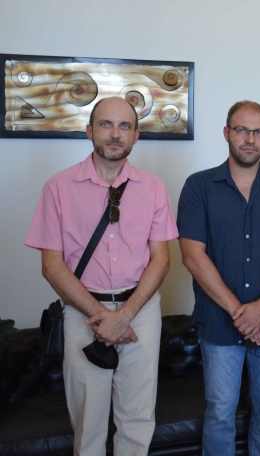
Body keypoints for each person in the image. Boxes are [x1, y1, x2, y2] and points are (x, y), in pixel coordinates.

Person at [25, 97, 178, 455]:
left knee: (138, 421)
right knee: (89, 426)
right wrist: (102, 317)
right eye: (106, 125)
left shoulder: (153, 188)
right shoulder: (58, 188)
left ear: (136, 136)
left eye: (125, 126)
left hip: (141, 312)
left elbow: (161, 261)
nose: (115, 134)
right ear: (89, 130)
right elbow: (52, 265)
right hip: (83, 314)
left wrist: (123, 316)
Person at [177, 101, 260, 455]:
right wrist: (241, 313)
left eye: (258, 132)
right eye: (242, 130)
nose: (250, 139)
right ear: (226, 133)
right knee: (220, 413)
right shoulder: (198, 186)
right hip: (219, 324)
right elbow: (192, 255)